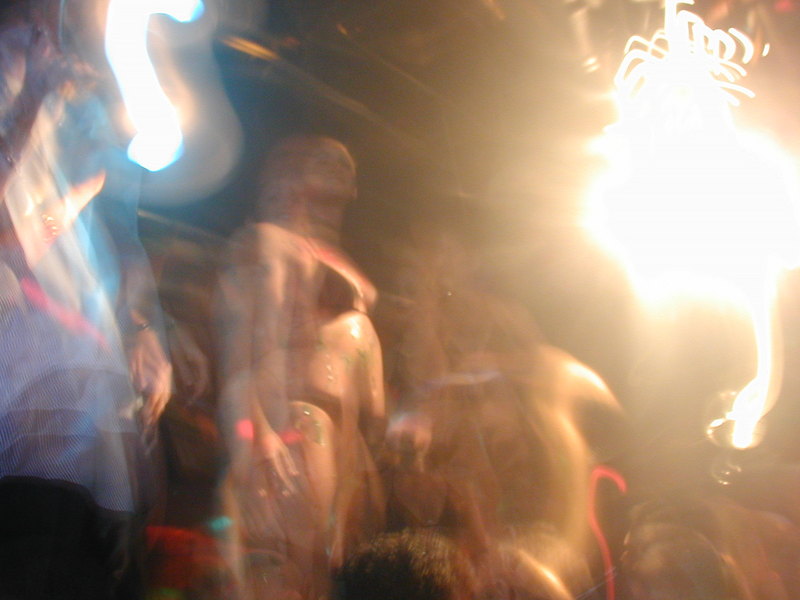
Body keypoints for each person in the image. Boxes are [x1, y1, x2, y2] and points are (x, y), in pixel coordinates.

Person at [0, 1, 176, 597]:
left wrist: (142, 325)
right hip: (27, 428)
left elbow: (121, 233)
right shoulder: (18, 80)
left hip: (92, 425)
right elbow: (11, 245)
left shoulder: (82, 92)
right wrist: (36, 113)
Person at [215, 135, 386, 600]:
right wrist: (256, 440)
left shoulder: (332, 262)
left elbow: (367, 401)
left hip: (334, 446)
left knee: (319, 577)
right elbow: (242, 352)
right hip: (291, 432)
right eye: (324, 160)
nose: (339, 169)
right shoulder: (269, 244)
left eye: (344, 162)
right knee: (290, 573)